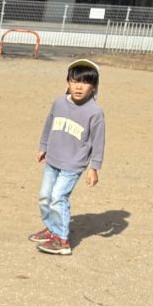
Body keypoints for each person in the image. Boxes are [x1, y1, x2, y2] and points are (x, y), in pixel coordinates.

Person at [30, 59, 106, 256]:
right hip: (53, 160)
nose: (79, 86)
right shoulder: (59, 103)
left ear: (94, 87)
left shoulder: (95, 112)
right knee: (45, 197)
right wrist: (43, 146)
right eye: (75, 81)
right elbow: (48, 124)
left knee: (58, 197)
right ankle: (51, 229)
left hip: (73, 164)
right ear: (67, 82)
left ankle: (62, 240)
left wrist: (94, 167)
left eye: (86, 82)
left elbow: (98, 141)